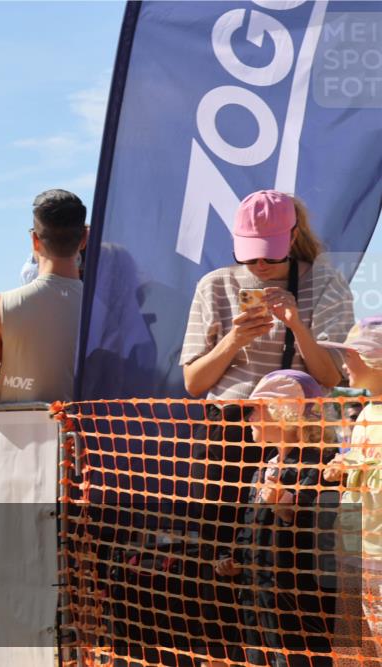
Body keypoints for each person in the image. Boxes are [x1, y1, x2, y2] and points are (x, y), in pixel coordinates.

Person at [180, 190, 353, 666]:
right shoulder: (215, 286)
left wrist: (297, 326)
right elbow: (194, 382)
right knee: (223, 556)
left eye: (269, 251)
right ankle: (235, 655)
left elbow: (333, 377)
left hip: (300, 438)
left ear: (293, 235)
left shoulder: (326, 284)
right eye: (249, 250)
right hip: (231, 434)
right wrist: (235, 337)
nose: (258, 262)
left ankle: (302, 656)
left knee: (293, 561)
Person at [214, 370, 339, 667]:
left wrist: (279, 500)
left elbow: (301, 517)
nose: (248, 421)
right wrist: (233, 560)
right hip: (256, 596)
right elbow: (250, 528)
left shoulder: (320, 461)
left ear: (283, 412)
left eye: (255, 411)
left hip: (297, 601)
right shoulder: (262, 469)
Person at [0, 189, 86, 405]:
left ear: (35, 240)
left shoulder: (2, 307)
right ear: (83, 239)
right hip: (86, 437)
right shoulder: (105, 311)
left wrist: (5, 396)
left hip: (17, 437)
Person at [320, 317, 382, 662]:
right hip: (356, 553)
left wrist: (363, 468)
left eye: (351, 357)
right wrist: (343, 470)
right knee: (358, 649)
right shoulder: (365, 416)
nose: (343, 367)